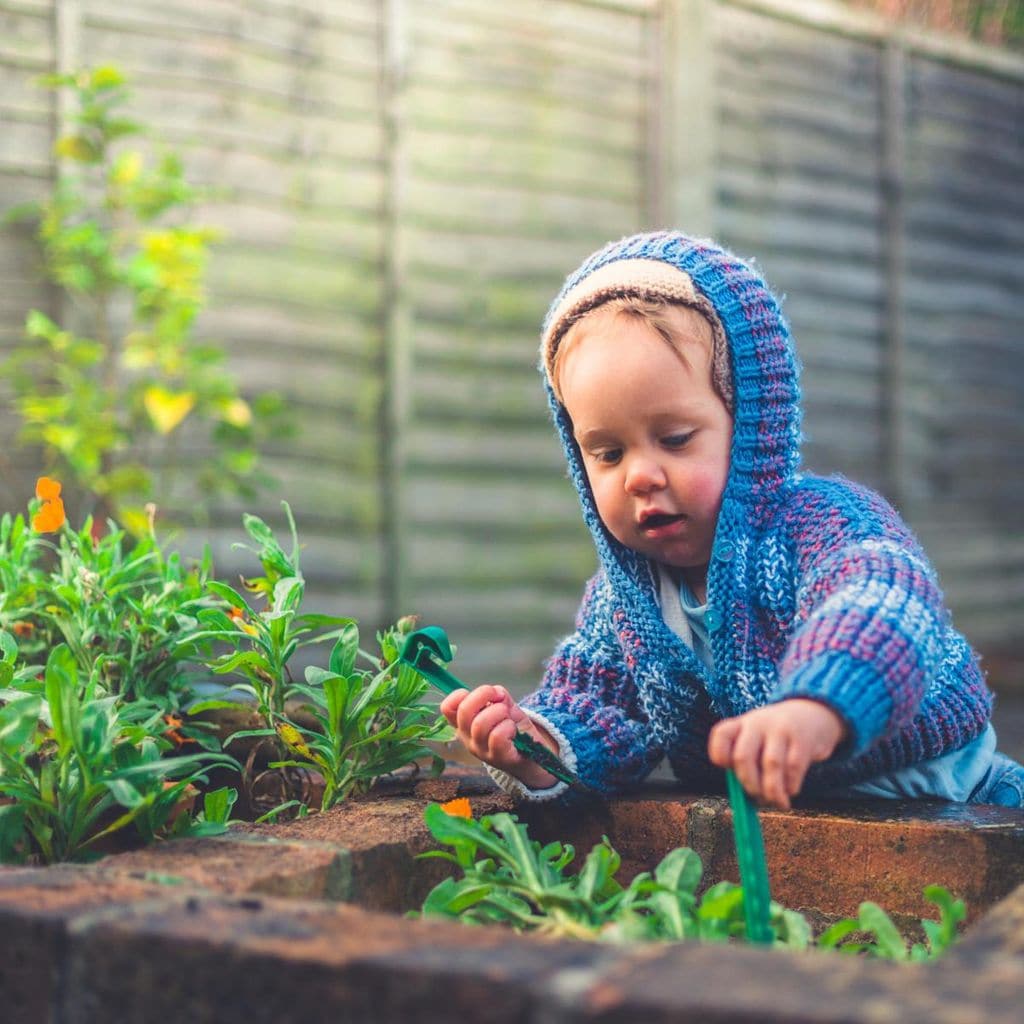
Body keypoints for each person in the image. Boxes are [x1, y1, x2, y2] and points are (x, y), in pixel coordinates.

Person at [440, 230, 1024, 809]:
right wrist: (536, 748)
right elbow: (599, 713)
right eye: (608, 453)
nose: (639, 476)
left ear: (751, 427)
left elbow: (883, 605)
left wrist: (814, 709)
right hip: (797, 831)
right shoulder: (626, 602)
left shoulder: (820, 527)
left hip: (958, 794)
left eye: (674, 438)